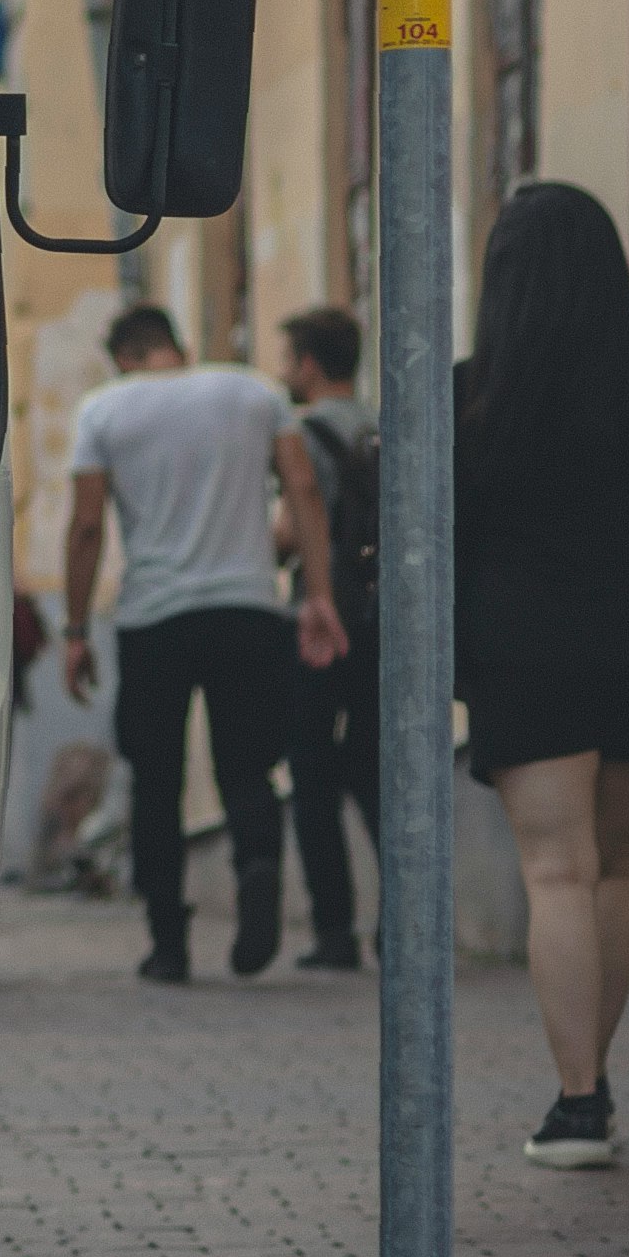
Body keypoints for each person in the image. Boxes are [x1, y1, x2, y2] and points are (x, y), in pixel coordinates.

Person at [452, 184, 629, 1168]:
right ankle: (591, 1086)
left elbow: (437, 543)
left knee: (554, 871)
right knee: (616, 867)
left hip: (528, 654)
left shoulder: (469, 392)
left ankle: (576, 1103)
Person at [62, 305, 350, 982]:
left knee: (156, 781)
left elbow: (85, 528)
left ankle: (168, 944)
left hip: (154, 619)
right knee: (247, 768)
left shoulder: (104, 411)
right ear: (179, 347)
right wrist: (318, 598)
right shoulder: (255, 392)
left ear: (124, 357)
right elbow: (304, 489)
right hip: (249, 609)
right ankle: (257, 867)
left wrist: (76, 631)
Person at [276, 305, 382, 972]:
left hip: (322, 619)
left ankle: (334, 931)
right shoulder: (385, 420)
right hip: (382, 618)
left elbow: (295, 524)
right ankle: (402, 923)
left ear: (309, 365)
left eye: (289, 358)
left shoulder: (303, 432)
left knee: (311, 771)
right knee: (378, 770)